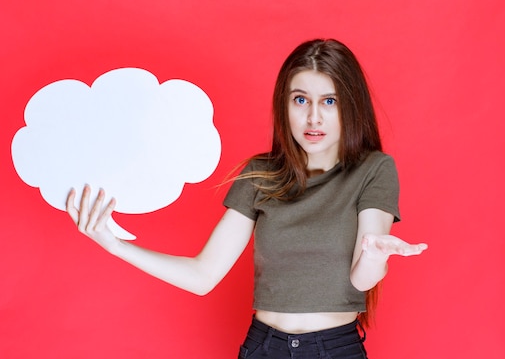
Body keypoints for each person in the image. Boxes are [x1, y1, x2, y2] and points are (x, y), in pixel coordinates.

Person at [67, 38, 427, 358]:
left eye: (329, 101)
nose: (313, 117)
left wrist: (375, 255)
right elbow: (203, 275)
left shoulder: (374, 169)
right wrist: (114, 245)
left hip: (334, 349)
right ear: (283, 106)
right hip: (263, 347)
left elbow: (362, 279)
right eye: (300, 100)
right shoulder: (261, 175)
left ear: (350, 105)